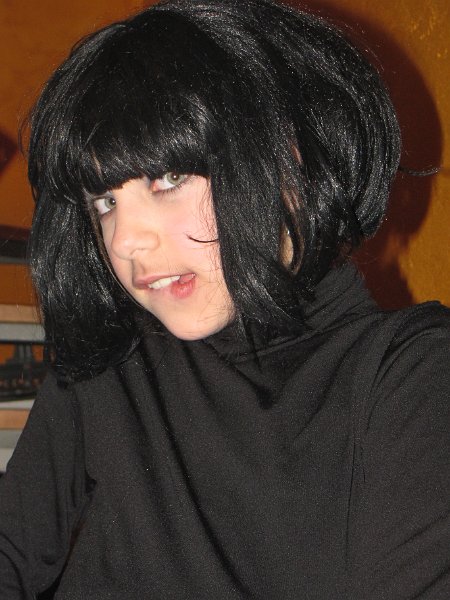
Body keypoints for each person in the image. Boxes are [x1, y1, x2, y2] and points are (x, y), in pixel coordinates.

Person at [1, 0, 449, 597]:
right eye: (104, 201)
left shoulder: (413, 378)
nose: (126, 239)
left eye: (168, 178)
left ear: (290, 159)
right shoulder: (112, 357)